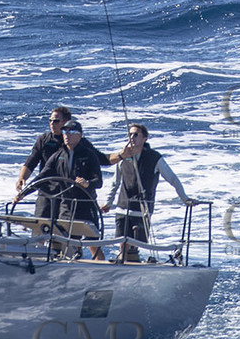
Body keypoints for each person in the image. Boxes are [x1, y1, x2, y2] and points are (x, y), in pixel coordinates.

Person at [102, 124, 196, 262]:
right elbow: (115, 183)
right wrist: (108, 203)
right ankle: (122, 268)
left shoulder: (154, 158)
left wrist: (185, 199)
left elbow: (172, 179)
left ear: (144, 138)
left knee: (133, 244)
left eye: (135, 135)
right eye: (130, 135)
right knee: (122, 245)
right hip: (122, 207)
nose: (131, 138)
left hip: (142, 209)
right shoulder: (123, 155)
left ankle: (132, 265)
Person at [14, 106, 114, 217]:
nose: (52, 123)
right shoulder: (53, 150)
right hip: (47, 193)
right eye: (50, 120)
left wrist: (122, 155)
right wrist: (23, 190)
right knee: (43, 227)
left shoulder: (86, 150)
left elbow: (103, 162)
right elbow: (35, 168)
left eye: (56, 121)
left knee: (73, 228)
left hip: (75, 199)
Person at [40, 120, 107, 260]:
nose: (66, 135)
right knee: (66, 243)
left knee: (93, 243)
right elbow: (42, 177)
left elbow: (98, 181)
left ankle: (102, 270)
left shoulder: (89, 155)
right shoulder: (58, 156)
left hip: (86, 206)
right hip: (66, 208)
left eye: (71, 132)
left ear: (80, 136)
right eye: (65, 132)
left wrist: (87, 183)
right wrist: (22, 194)